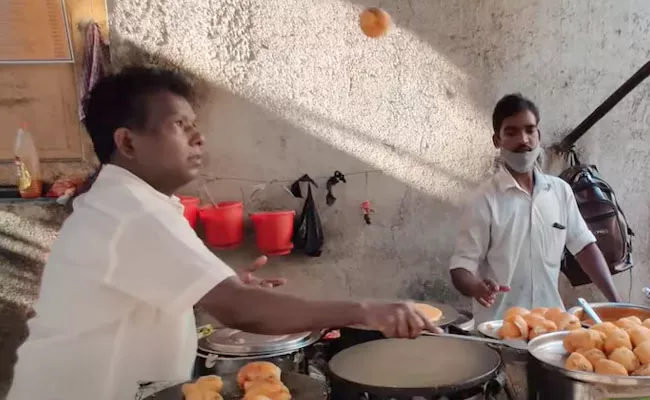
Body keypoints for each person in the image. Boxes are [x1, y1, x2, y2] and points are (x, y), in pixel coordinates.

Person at [8, 67, 440, 400]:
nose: (198, 137)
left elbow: (198, 299)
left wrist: (222, 293)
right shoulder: (130, 212)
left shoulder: (134, 205)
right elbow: (242, 310)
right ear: (128, 141)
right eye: (180, 125)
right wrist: (365, 310)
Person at [449, 93, 621, 324]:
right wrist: (477, 288)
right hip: (501, 329)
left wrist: (617, 303)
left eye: (530, 130)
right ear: (496, 140)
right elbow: (461, 268)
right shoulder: (483, 200)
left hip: (550, 325)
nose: (523, 140)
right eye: (511, 132)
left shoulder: (560, 192)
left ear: (538, 135)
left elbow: (585, 247)